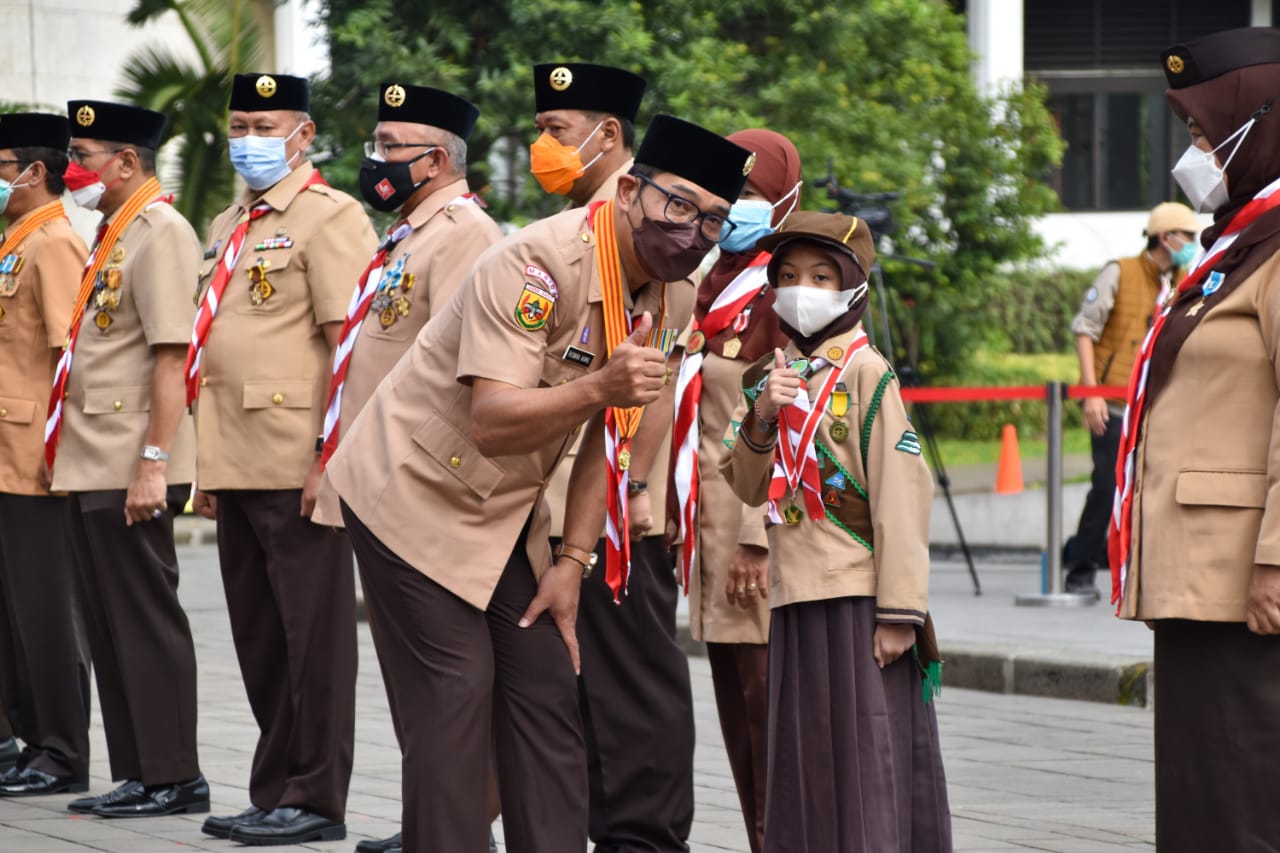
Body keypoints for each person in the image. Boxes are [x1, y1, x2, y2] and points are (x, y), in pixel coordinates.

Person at [325, 114, 753, 853]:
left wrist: (572, 562)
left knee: (547, 688)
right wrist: (602, 389)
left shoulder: (671, 295)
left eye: (713, 218)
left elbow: (607, 439)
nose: (692, 230)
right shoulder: (536, 264)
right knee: (456, 695)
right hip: (411, 490)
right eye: (678, 205)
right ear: (630, 192)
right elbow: (493, 419)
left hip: (508, 510)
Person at [307, 81, 504, 853]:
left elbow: (461, 371)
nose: (377, 160)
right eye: (378, 144)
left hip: (419, 485)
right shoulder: (410, 232)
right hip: (378, 479)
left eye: (393, 147)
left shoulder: (464, 235)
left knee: (439, 678)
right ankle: (432, 818)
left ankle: (453, 828)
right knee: (411, 679)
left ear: (437, 158)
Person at [187, 73, 376, 846]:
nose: (248, 138)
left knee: (314, 640)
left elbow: (349, 347)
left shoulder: (330, 217)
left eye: (265, 123)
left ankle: (317, 797)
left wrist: (331, 459)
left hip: (297, 459)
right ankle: (274, 789)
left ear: (303, 132)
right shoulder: (232, 219)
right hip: (235, 461)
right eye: (239, 123)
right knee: (260, 637)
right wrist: (207, 465)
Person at [725, 211, 951, 852]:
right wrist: (763, 415)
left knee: (862, 754)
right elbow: (745, 484)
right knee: (806, 756)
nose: (804, 288)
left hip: (857, 596)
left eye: (822, 276)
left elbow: (903, 497)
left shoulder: (865, 371)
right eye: (790, 275)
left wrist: (900, 612)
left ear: (852, 288)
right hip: (794, 593)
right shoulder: (776, 375)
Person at [1111, 27, 1280, 851]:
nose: (1195, 152)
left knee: (1243, 792)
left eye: (1206, 131)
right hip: (1196, 575)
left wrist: (1276, 560)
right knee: (1200, 790)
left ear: (1262, 122)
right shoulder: (1235, 246)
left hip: (1245, 575)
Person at [530, 62, 698, 853]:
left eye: (558, 131)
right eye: (540, 129)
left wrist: (632, 490)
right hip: (572, 494)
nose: (543, 146)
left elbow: (651, 384)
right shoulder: (577, 224)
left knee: (633, 683)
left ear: (610, 137)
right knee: (589, 680)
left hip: (613, 504)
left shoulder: (644, 229)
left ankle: (645, 838)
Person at [45, 100, 207, 815]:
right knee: (109, 623)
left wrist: (154, 460)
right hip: (91, 455)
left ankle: (174, 774)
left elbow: (171, 356)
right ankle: (140, 769)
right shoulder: (115, 232)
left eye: (84, 156)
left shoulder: (162, 231)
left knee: (144, 618)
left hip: (128, 458)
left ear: (128, 162)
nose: (73, 170)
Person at [667, 127, 799, 853]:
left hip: (752, 536)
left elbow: (787, 419)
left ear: (783, 199)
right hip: (707, 531)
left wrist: (755, 533)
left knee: (765, 707)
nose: (735, 208)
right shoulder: (711, 277)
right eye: (728, 195)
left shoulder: (786, 288)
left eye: (750, 195)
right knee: (735, 704)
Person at [0, 112, 90, 798]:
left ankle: (61, 747)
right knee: (10, 612)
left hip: (33, 458)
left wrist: (63, 454)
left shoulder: (54, 243)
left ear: (33, 171)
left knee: (44, 612)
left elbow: (71, 357)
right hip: (3, 453)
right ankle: (20, 738)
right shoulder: (14, 242)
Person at [1066, 200, 1199, 597]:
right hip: (1111, 401)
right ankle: (1080, 569)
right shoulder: (1119, 272)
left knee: (1154, 486)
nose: (1192, 243)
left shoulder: (1183, 279)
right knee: (1107, 485)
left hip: (1155, 403)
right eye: (1186, 236)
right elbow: (1084, 330)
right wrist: (1091, 393)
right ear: (1165, 236)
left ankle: (1137, 566)